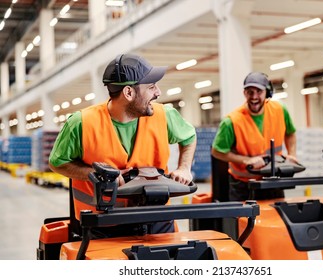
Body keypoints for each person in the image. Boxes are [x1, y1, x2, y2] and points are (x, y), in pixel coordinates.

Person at [49, 53, 197, 236]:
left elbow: (189, 137)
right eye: (151, 87)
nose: (158, 92)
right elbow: (58, 162)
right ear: (128, 92)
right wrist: (93, 175)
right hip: (102, 223)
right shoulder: (81, 123)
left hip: (156, 218)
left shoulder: (164, 115)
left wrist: (184, 168)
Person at [211, 72, 297, 201]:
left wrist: (292, 154)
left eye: (259, 92)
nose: (254, 97)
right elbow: (217, 152)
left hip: (273, 181)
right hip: (243, 186)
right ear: (244, 93)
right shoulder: (232, 121)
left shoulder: (280, 110)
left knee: (275, 219)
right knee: (244, 221)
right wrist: (246, 160)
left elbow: (290, 133)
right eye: (250, 92)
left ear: (267, 92)